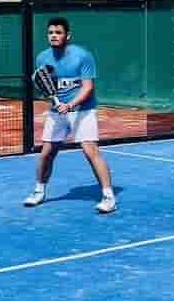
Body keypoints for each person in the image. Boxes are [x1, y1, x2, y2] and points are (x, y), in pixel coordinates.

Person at [24, 17, 117, 214]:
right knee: (47, 153)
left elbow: (88, 88)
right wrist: (57, 104)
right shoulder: (43, 58)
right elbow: (47, 85)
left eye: (58, 33)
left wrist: (71, 105)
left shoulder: (82, 56)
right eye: (50, 33)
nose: (53, 36)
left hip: (83, 110)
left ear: (67, 35)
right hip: (58, 112)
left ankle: (108, 196)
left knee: (90, 150)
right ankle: (39, 191)